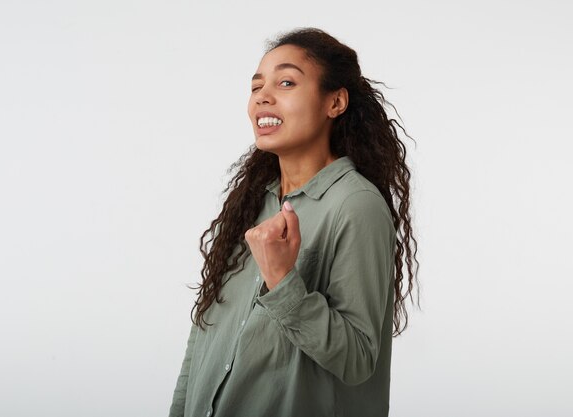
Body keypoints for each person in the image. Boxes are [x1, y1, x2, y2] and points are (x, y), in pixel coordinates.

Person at [168, 27, 420, 417]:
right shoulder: (250, 202)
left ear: (335, 102)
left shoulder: (356, 205)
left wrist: (283, 282)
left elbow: (357, 360)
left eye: (286, 82)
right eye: (256, 87)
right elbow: (202, 340)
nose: (262, 97)